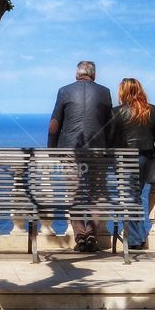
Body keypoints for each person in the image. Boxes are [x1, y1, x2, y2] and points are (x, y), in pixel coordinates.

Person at [48, 60, 113, 252]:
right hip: (97, 151)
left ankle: (80, 237)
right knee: (96, 194)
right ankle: (91, 234)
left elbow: (54, 123)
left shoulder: (64, 91)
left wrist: (52, 149)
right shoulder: (104, 92)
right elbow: (110, 124)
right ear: (94, 75)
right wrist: (108, 149)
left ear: (77, 74)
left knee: (74, 193)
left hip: (70, 150)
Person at [110, 77, 155, 250]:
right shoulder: (151, 110)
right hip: (146, 159)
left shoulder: (117, 112)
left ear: (123, 92)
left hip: (125, 159)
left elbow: (111, 139)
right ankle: (139, 237)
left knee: (128, 198)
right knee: (134, 197)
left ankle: (135, 239)